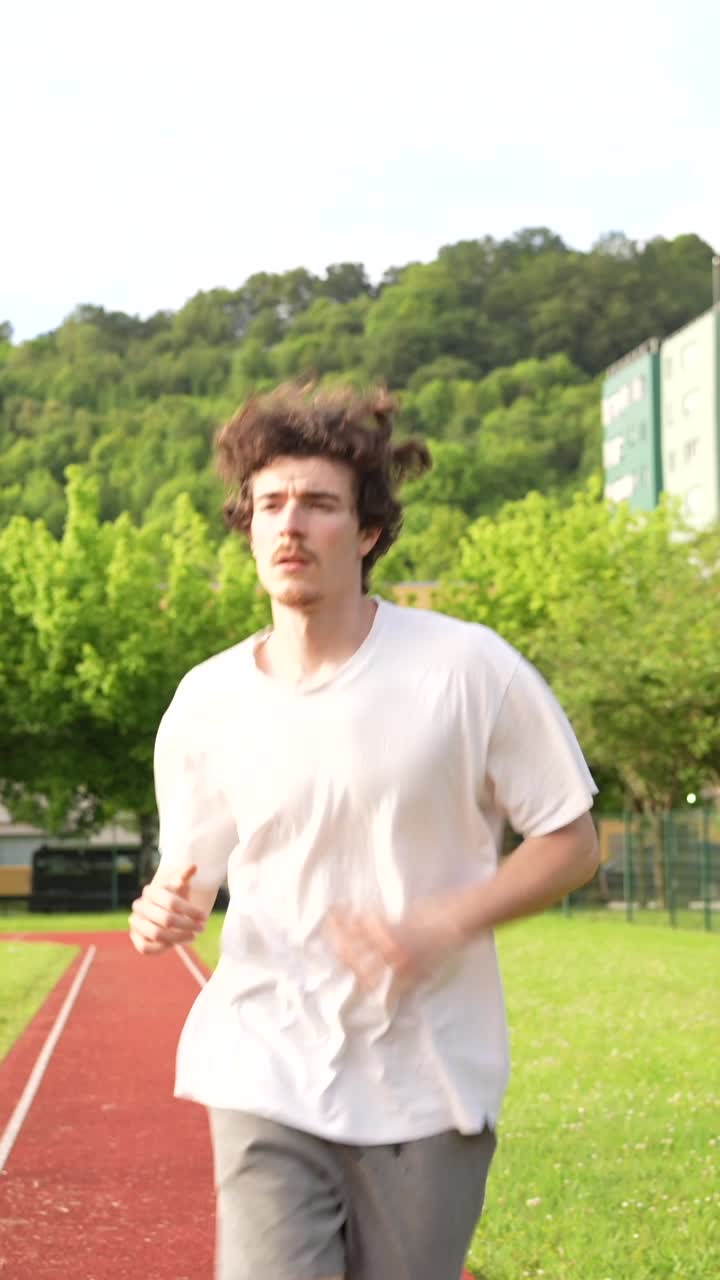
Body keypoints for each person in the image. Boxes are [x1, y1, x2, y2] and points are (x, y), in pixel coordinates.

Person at [129, 384, 600, 1280]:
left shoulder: (467, 668)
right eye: (270, 505)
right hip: (265, 1060)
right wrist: (162, 910)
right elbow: (189, 873)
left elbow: (570, 840)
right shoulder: (207, 701)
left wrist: (444, 922)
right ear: (248, 526)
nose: (290, 526)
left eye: (319, 505)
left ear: (370, 531)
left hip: (427, 1074)